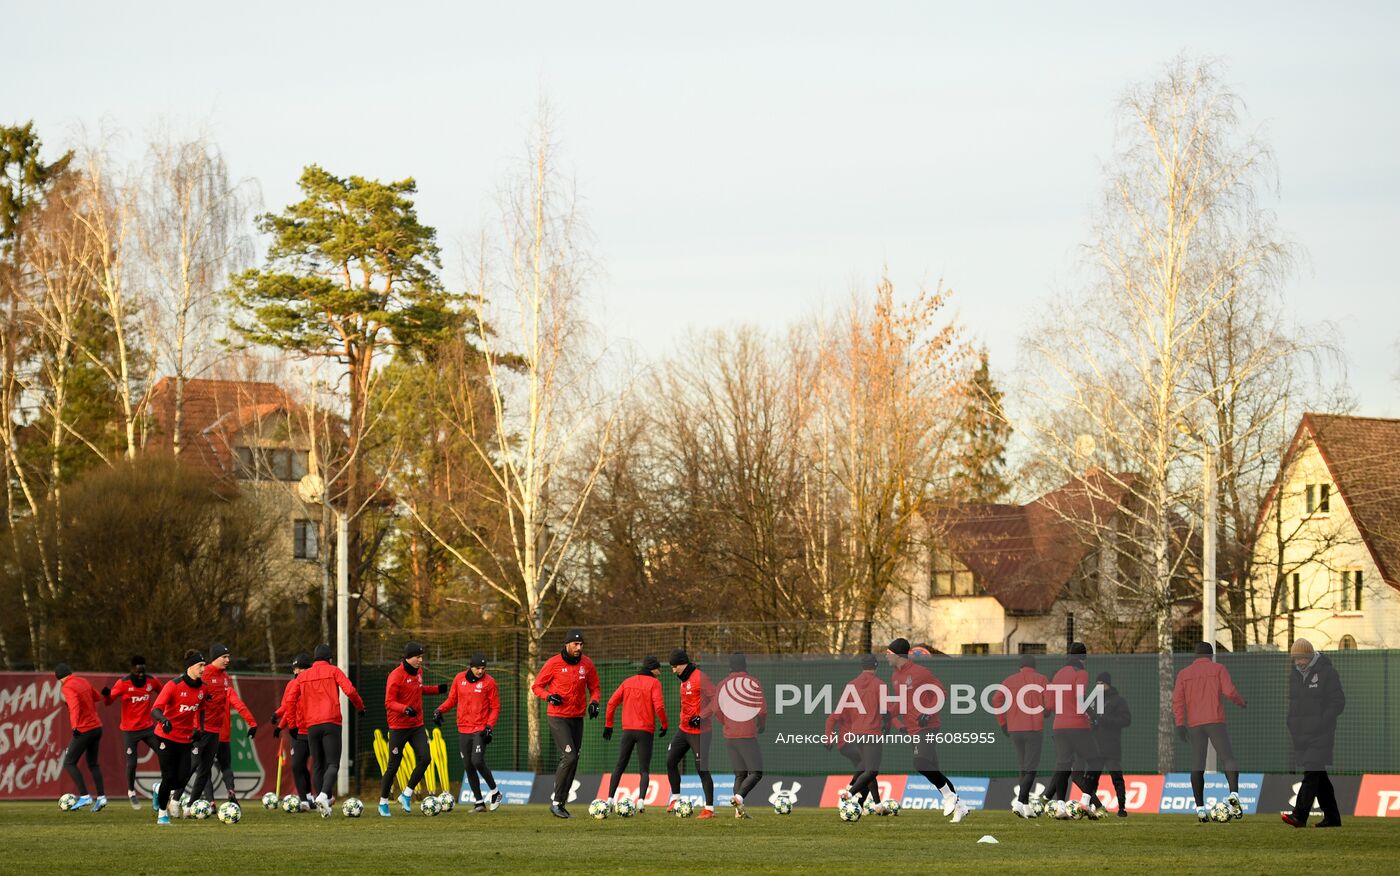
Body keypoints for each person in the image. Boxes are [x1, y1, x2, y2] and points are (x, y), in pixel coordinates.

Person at [886, 637, 967, 823]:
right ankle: (960, 807)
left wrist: (928, 713)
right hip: (913, 729)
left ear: (898, 655)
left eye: (888, 653)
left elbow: (942, 693)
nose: (886, 657)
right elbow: (901, 703)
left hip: (928, 726)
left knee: (920, 763)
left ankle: (949, 797)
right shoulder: (895, 676)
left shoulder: (921, 672)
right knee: (934, 769)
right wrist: (889, 714)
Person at [285, 643, 365, 816]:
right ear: (330, 659)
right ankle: (323, 796)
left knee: (318, 766)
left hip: (311, 725)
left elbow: (290, 701)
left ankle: (324, 805)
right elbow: (350, 690)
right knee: (333, 763)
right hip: (331, 722)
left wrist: (292, 725)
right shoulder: (333, 670)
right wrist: (360, 707)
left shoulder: (302, 677)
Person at [1172, 641, 1247, 822]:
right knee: (1227, 758)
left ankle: (1200, 809)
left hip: (1195, 724)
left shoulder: (1184, 674)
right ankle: (1234, 794)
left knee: (1197, 765)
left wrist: (1180, 724)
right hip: (1215, 721)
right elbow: (1230, 691)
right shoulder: (1218, 669)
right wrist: (1241, 702)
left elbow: (1177, 701)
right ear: (1211, 655)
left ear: (1195, 656)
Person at [531, 629, 601, 819]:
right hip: (557, 717)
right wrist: (549, 696)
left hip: (577, 718)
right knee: (569, 756)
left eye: (581, 645)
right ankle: (556, 803)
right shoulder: (553, 663)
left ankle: (560, 804)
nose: (579, 648)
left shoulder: (587, 664)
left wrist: (594, 703)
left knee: (574, 759)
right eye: (575, 644)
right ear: (567, 644)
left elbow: (594, 688)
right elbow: (536, 686)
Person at [1282, 638, 1345, 828]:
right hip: (1302, 734)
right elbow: (1295, 705)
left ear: (1310, 656)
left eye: (1302, 658)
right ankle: (1333, 818)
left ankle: (1299, 815)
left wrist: (1322, 721)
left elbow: (1338, 702)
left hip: (1321, 733)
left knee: (1311, 771)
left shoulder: (1327, 673)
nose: (1299, 662)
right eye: (1296, 659)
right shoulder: (1294, 675)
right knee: (1320, 777)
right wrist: (1292, 724)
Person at [184, 644, 258, 806]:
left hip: (218, 733)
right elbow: (191, 699)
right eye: (224, 657)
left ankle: (207, 803)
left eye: (228, 657)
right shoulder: (203, 675)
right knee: (213, 766)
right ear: (215, 658)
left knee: (205, 770)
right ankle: (177, 797)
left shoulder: (226, 679)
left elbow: (237, 703)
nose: (228, 660)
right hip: (204, 731)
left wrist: (252, 723)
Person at [379, 641, 445, 817]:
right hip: (398, 727)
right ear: (409, 658)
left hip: (416, 725)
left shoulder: (418, 673)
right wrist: (404, 709)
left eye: (421, 657)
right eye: (418, 657)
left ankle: (406, 794)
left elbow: (419, 690)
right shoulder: (395, 676)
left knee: (425, 758)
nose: (421, 660)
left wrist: (438, 690)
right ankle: (383, 802)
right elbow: (389, 702)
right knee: (393, 766)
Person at [1044, 642, 1106, 819]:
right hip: (1077, 726)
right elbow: (1081, 698)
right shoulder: (1082, 673)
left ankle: (1061, 807)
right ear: (1084, 658)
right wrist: (1093, 715)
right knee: (1095, 761)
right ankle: (1086, 801)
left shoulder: (1058, 674)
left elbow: (1049, 704)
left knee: (1063, 766)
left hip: (1059, 726)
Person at [434, 651, 502, 812]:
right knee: (468, 766)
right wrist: (439, 710)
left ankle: (495, 792)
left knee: (477, 761)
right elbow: (452, 700)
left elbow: (495, 707)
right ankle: (479, 803)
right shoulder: (459, 679)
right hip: (463, 728)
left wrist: (489, 726)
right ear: (470, 667)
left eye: (483, 668)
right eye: (478, 668)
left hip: (480, 729)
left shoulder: (490, 682)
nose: (481, 671)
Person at [602, 655, 668, 811]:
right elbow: (659, 707)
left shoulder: (628, 682)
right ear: (653, 669)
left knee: (620, 765)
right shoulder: (655, 683)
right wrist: (664, 725)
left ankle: (610, 799)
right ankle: (640, 802)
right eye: (659, 668)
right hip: (645, 731)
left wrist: (608, 725)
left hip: (628, 731)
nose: (660, 671)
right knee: (644, 769)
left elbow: (611, 702)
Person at [150, 651, 208, 825]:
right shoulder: (173, 685)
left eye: (204, 665)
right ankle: (162, 814)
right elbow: (155, 709)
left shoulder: (203, 688)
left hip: (185, 739)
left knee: (181, 780)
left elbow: (201, 709)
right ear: (190, 667)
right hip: (165, 737)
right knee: (168, 776)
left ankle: (158, 789)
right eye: (201, 666)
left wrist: (200, 728)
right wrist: (164, 720)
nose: (203, 669)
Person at [830, 654, 887, 814]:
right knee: (871, 770)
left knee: (868, 769)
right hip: (873, 732)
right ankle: (850, 792)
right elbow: (885, 709)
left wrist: (829, 736)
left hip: (856, 733)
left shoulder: (851, 685)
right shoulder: (880, 684)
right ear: (876, 666)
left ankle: (876, 805)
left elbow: (837, 712)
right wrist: (888, 723)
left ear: (862, 667)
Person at [665, 648, 718, 818]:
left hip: (701, 731)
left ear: (682, 664)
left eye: (674, 667)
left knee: (701, 768)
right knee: (670, 761)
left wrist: (701, 716)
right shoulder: (683, 679)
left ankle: (709, 809)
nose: (673, 670)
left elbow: (717, 699)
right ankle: (676, 799)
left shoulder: (701, 678)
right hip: (683, 730)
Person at [992, 654, 1046, 818]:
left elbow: (996, 700)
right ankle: (1020, 802)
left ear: (1020, 667)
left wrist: (1003, 723)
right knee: (1031, 768)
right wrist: (1047, 711)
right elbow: (1050, 702)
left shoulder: (1009, 681)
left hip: (1015, 729)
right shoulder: (1041, 679)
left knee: (1023, 766)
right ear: (1034, 666)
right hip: (1033, 728)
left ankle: (1026, 806)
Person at [103, 655, 160, 809]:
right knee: (132, 763)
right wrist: (106, 695)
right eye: (137, 672)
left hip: (148, 728)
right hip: (130, 730)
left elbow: (162, 694)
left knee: (164, 752)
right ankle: (131, 792)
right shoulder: (123, 683)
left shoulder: (152, 681)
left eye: (143, 671)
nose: (141, 675)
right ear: (133, 670)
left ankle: (168, 788)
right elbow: (108, 702)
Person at [718, 652, 767, 818]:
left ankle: (738, 812)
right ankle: (738, 797)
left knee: (740, 774)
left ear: (730, 666)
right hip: (746, 734)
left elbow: (716, 710)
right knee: (756, 772)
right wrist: (761, 725)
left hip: (730, 735)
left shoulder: (723, 684)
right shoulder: (753, 683)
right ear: (745, 664)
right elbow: (762, 710)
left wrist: (726, 723)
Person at [56, 663, 106, 812]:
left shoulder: (67, 687)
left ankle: (85, 796)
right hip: (97, 727)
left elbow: (74, 706)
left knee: (69, 762)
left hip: (84, 728)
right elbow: (97, 697)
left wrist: (75, 726)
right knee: (93, 764)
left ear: (59, 679)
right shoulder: (83, 681)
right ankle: (102, 797)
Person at [271, 653, 316, 808]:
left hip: (314, 730)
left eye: (301, 669)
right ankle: (304, 800)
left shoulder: (313, 684)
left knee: (318, 765)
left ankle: (319, 797)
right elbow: (288, 707)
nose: (297, 672)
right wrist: (279, 723)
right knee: (298, 765)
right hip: (298, 732)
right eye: (296, 668)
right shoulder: (292, 685)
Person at [1091, 671, 1132, 817]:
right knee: (1092, 778)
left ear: (1107, 684)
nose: (1098, 686)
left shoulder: (1118, 701)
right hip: (1095, 746)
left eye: (1101, 683)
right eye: (1096, 684)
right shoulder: (1094, 700)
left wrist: (1106, 721)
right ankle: (1093, 806)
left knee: (1116, 777)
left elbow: (1126, 720)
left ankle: (1121, 808)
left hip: (1111, 746)